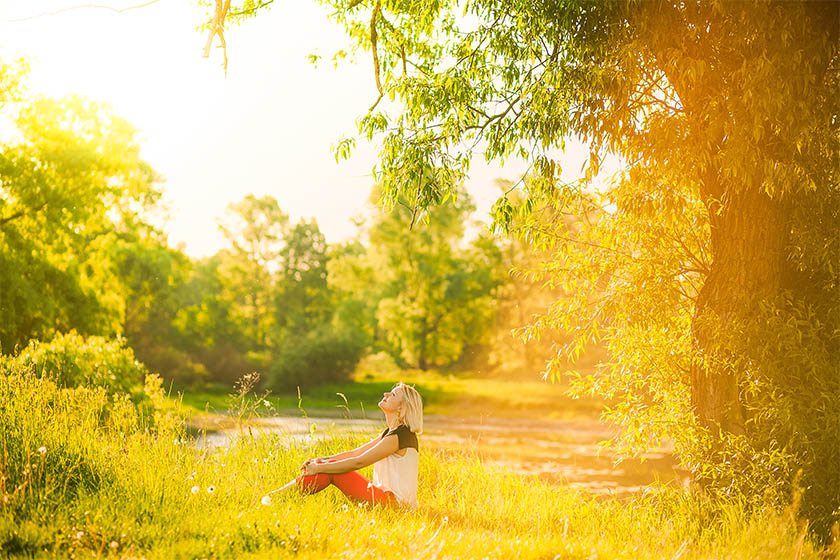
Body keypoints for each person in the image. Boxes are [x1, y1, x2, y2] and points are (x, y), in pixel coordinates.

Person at [270, 382, 423, 509]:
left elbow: (359, 462)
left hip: (394, 505)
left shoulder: (401, 436)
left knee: (333, 471)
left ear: (401, 408)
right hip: (384, 497)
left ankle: (277, 498)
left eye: (393, 395)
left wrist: (319, 468)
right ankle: (278, 497)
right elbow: (355, 453)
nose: (386, 394)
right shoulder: (391, 433)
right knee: (328, 465)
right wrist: (321, 460)